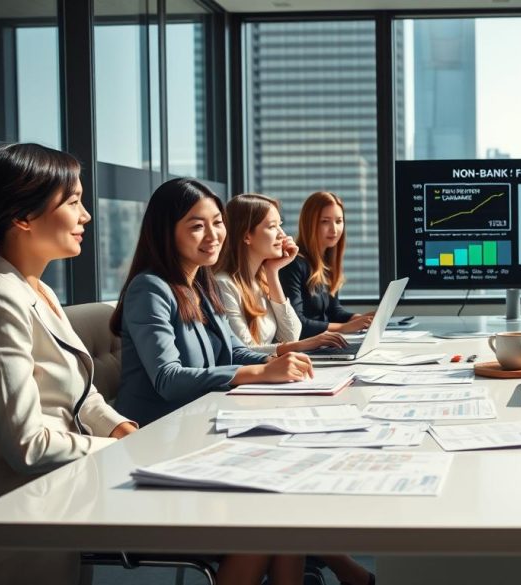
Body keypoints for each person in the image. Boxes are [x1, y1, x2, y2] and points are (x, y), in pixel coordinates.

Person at [111, 178, 311, 585]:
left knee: (288, 500)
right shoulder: (150, 288)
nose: (214, 234)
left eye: (217, 222)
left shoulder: (198, 282)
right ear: (166, 231)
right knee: (268, 517)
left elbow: (234, 352)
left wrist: (283, 359)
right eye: (196, 225)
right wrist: (259, 371)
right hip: (158, 446)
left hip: (199, 431)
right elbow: (168, 379)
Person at [0, 143, 137, 584]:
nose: (86, 215)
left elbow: (77, 394)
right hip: (14, 516)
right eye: (73, 202)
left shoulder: (37, 290)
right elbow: (25, 443)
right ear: (23, 218)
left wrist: (122, 428)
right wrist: (123, 452)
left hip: (55, 499)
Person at [214, 193, 349, 355]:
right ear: (246, 235)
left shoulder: (262, 281)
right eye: (272, 226)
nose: (282, 234)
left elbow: (291, 335)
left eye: (280, 225)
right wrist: (306, 344)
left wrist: (272, 272)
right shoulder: (224, 284)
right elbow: (244, 351)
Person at [279, 191, 372, 337]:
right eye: (325, 221)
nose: (334, 229)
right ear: (310, 224)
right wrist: (344, 328)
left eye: (339, 221)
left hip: (324, 342)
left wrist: (361, 319)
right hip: (307, 347)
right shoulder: (293, 264)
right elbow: (298, 323)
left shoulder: (327, 261)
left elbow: (334, 311)